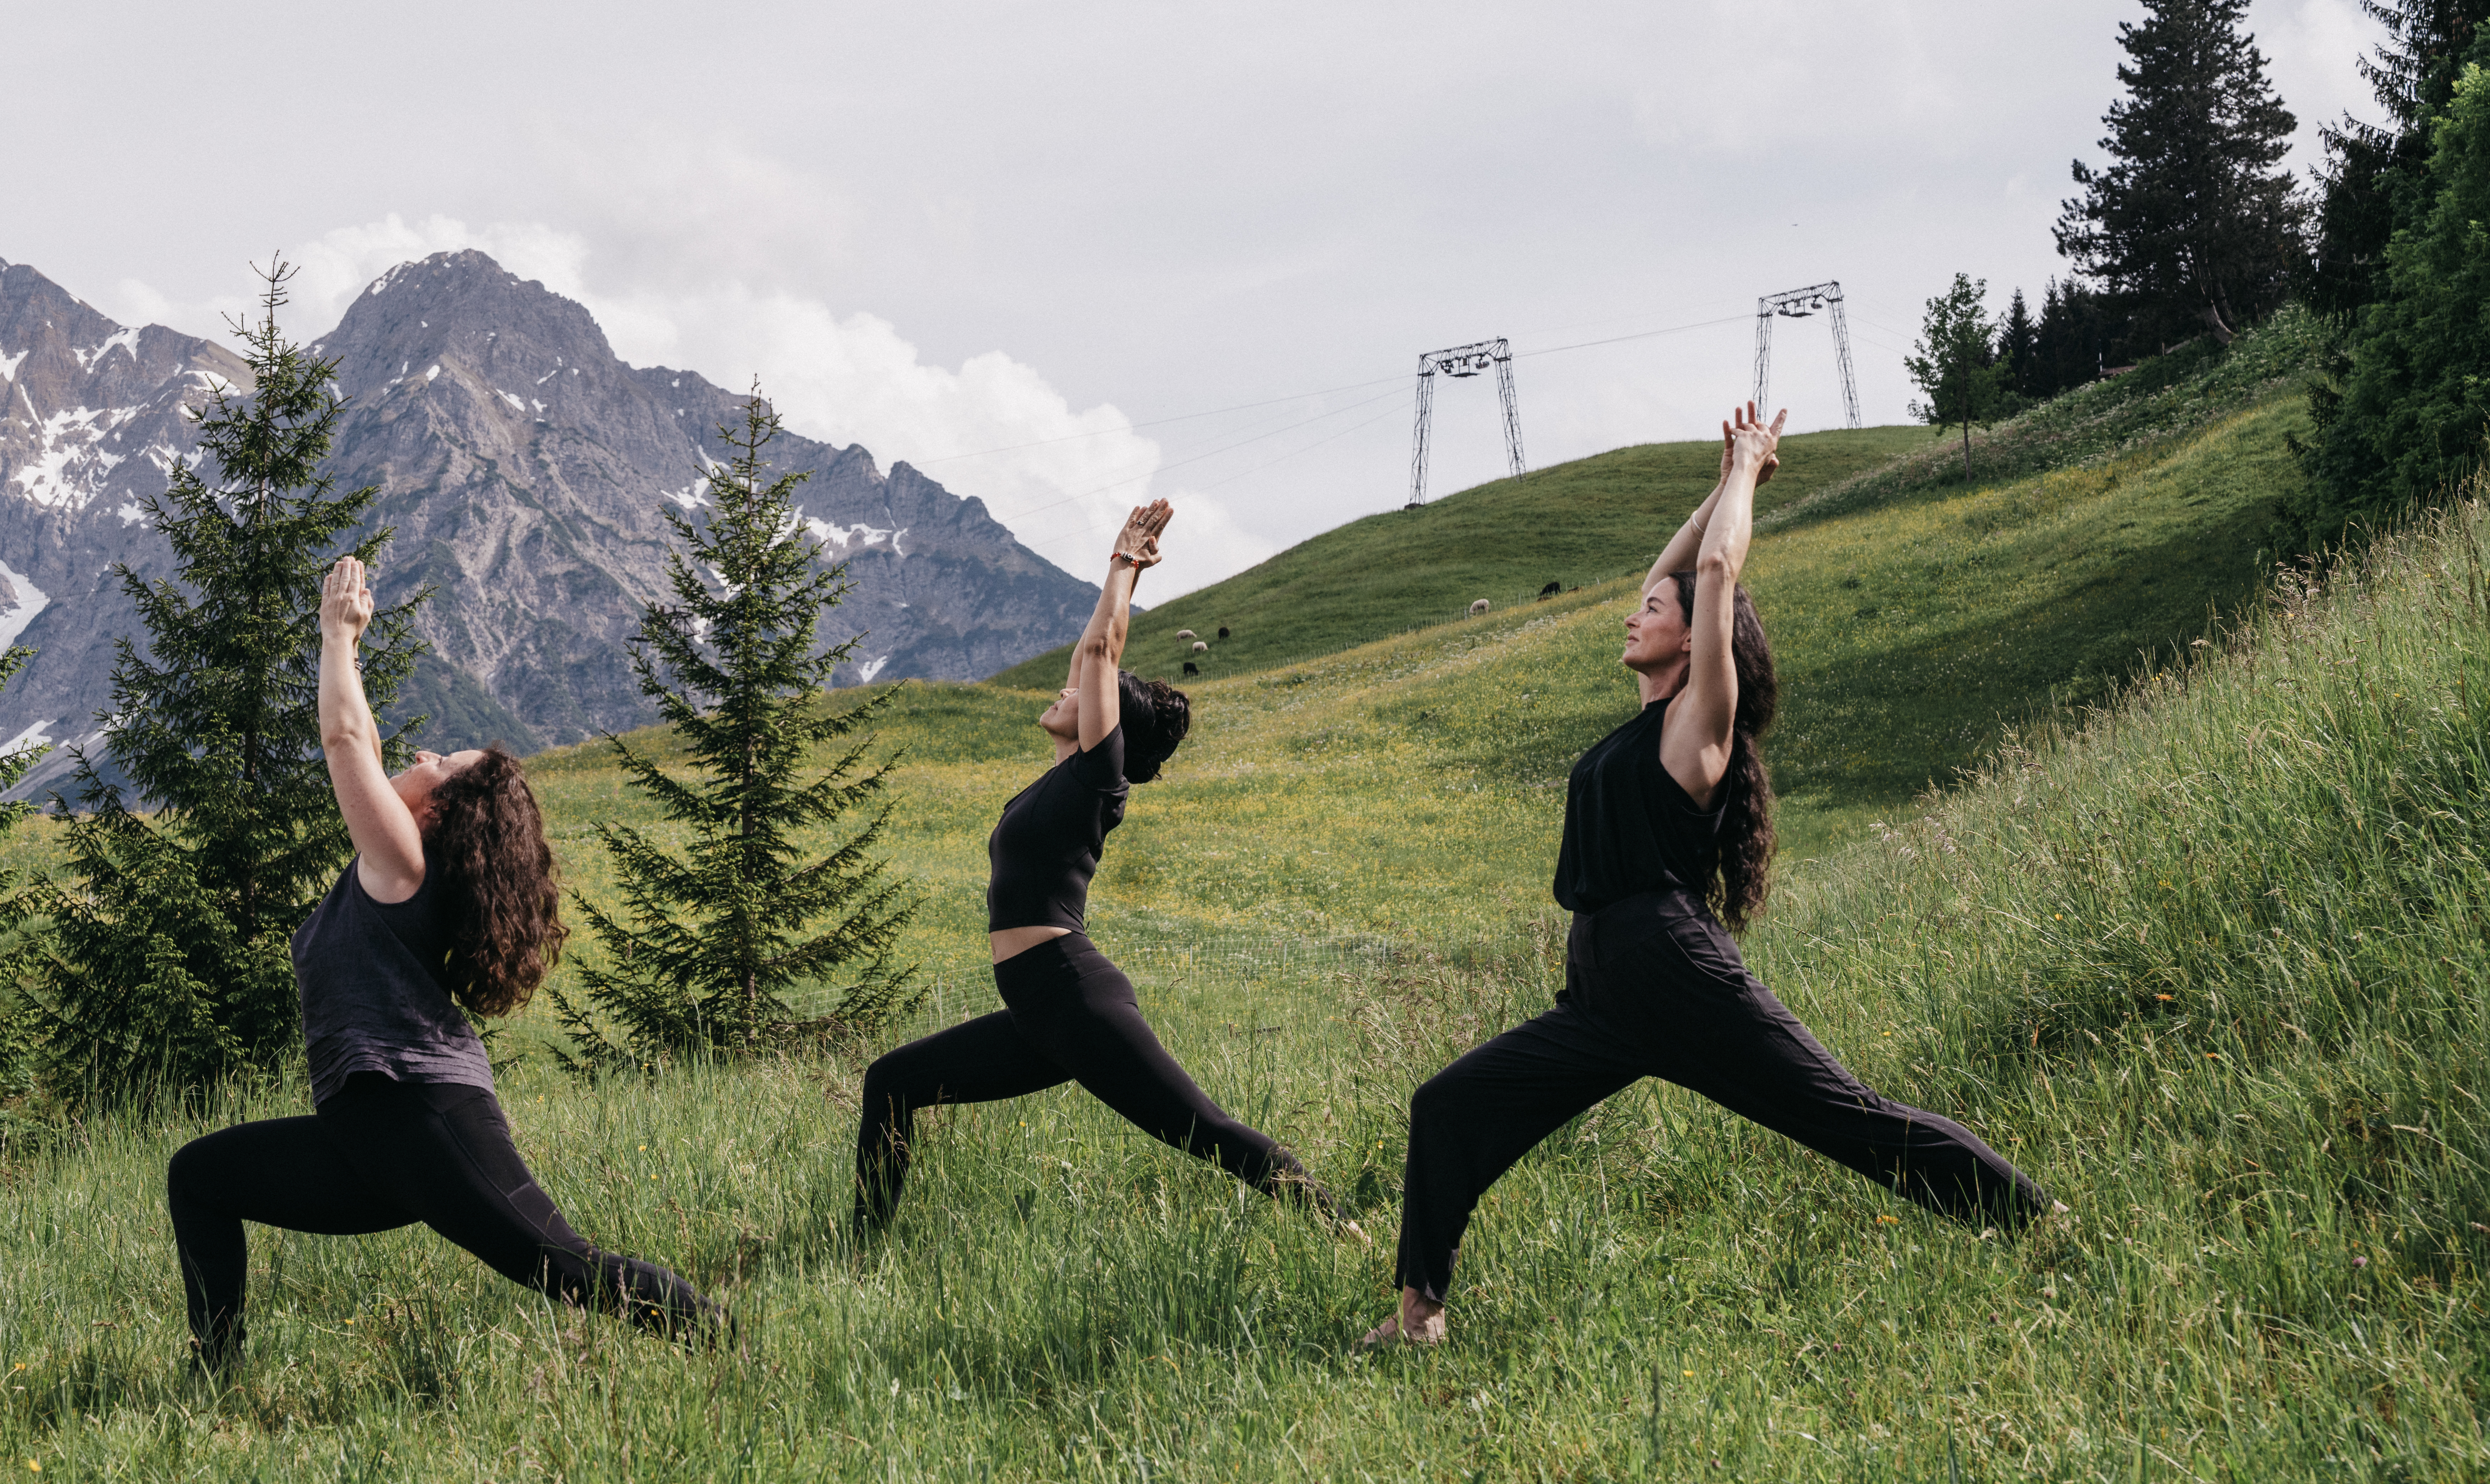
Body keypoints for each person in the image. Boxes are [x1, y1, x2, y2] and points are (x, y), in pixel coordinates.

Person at [1365, 404, 2045, 1350]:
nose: (1637, 606)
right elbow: (1679, 569)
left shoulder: (1700, 724)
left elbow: (1714, 573)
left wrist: (1749, 471)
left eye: (1656, 610)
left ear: (1696, 643)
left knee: (1848, 1119)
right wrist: (1729, 481)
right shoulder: (1649, 712)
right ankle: (1418, 1321)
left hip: (1671, 966)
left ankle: (2039, 1225)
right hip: (1605, 984)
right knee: (1451, 1105)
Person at [166, 556, 722, 1369]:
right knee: (202, 1177)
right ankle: (215, 1378)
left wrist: (338, 635)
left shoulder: (404, 864)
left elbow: (346, 737)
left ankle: (730, 1343)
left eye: (440, 763)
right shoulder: (396, 866)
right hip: (365, 1131)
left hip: (423, 1115)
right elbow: (369, 741)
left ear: (438, 812)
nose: (421, 754)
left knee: (563, 1265)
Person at [853, 498, 1348, 1230]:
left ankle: (1347, 1228)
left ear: (1103, 723)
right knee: (891, 1083)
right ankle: (863, 1251)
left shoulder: (1099, 777)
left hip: (1073, 999)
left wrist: (1124, 566)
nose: (1067, 686)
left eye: (1082, 694)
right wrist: (1125, 584)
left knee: (1202, 1132)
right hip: (1036, 1009)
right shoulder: (1063, 775)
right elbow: (1091, 653)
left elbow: (1100, 656)